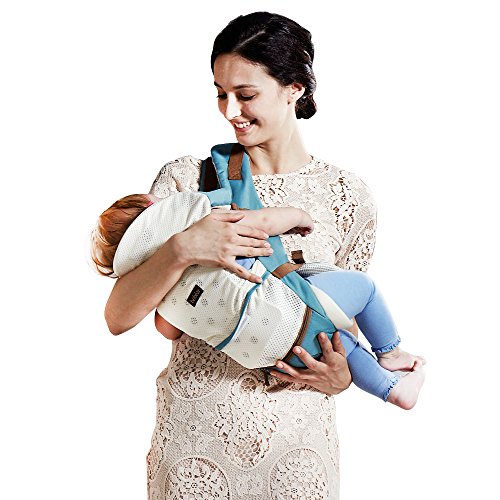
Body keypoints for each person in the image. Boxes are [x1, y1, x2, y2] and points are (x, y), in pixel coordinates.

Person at [100, 11, 424, 499]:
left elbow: (337, 327)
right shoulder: (187, 182)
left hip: (299, 446)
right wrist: (183, 248)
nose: (230, 110)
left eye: (245, 94)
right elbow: (120, 317)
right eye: (220, 93)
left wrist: (341, 379)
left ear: (294, 88)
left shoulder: (347, 196)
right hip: (197, 438)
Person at [92, 191, 425, 409]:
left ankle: (394, 390)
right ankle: (390, 353)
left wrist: (341, 380)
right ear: (154, 208)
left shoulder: (162, 294)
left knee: (338, 343)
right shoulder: (202, 218)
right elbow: (263, 222)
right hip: (292, 315)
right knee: (364, 290)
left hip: (269, 354)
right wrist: (298, 216)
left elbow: (168, 330)